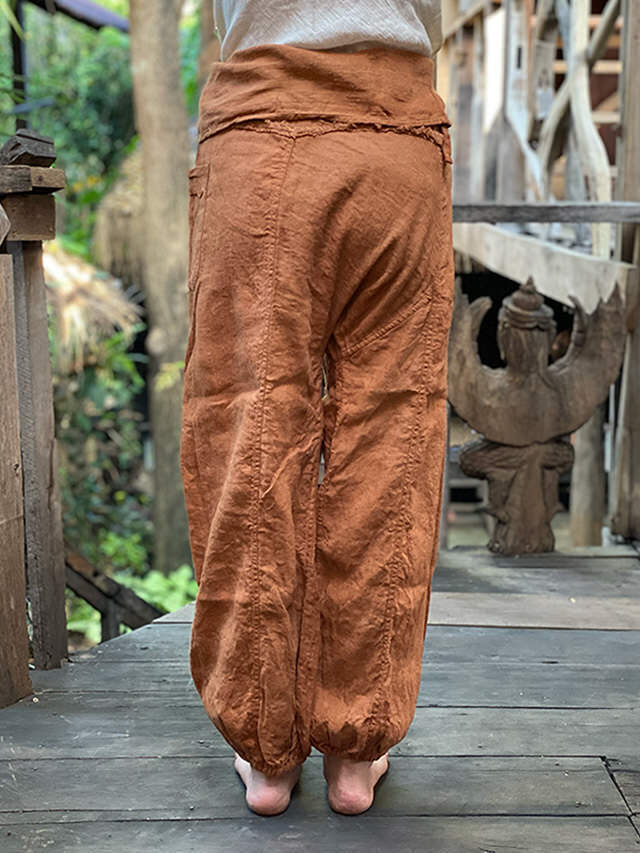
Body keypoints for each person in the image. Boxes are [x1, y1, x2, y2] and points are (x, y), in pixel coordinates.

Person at [181, 0, 454, 817]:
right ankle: (355, 751)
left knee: (249, 425)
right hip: (395, 138)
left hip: (261, 129)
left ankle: (266, 751)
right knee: (392, 432)